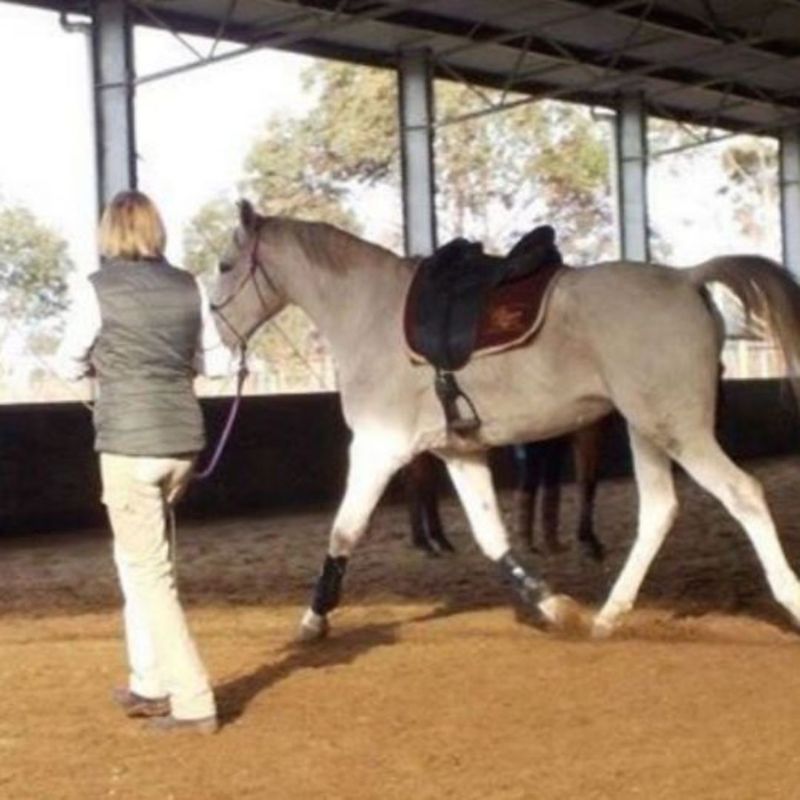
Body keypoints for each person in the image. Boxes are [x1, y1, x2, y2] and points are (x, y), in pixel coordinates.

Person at [56, 190, 232, 735]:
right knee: (141, 564)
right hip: (181, 443)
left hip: (128, 445)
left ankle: (194, 700)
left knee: (150, 575)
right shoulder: (190, 286)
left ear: (110, 232)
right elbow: (216, 363)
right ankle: (149, 682)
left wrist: (97, 373)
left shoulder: (96, 290)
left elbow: (68, 362)